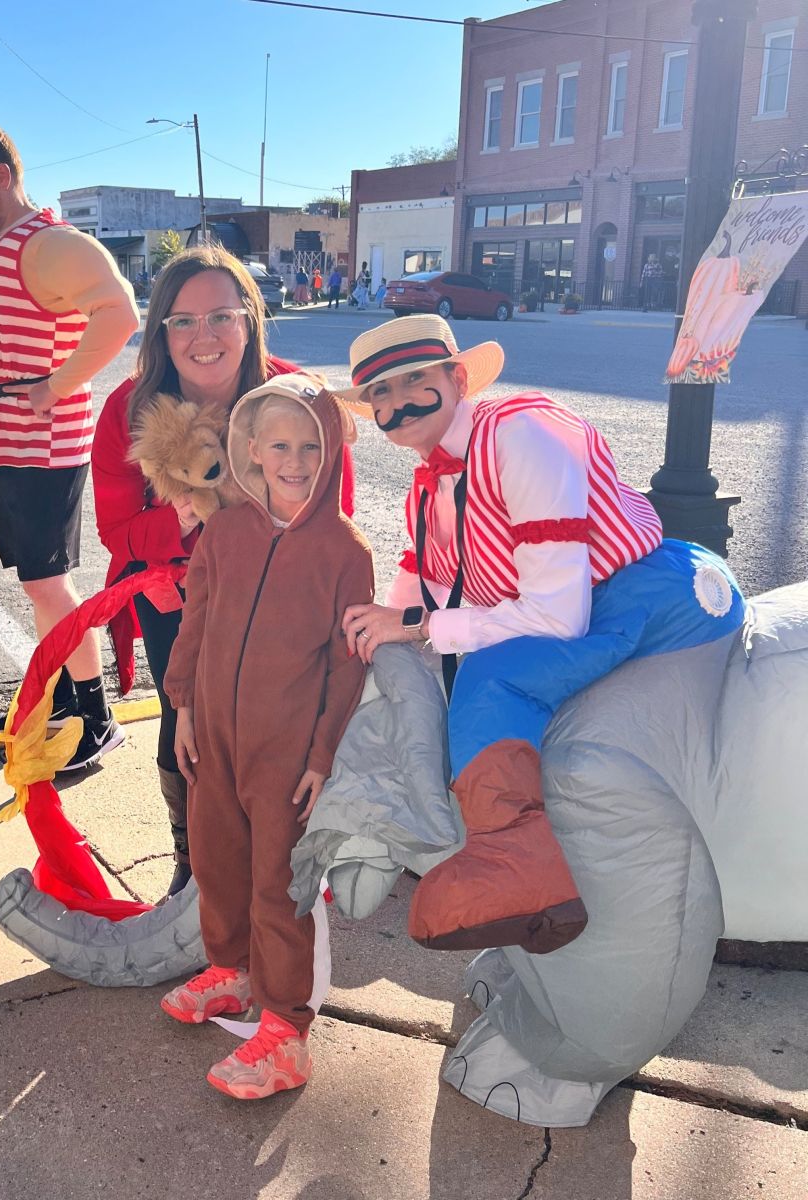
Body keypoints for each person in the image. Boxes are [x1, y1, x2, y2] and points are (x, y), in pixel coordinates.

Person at [337, 314, 744, 955]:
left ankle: (515, 865)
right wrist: (383, 642)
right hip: (582, 602)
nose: (395, 404)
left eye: (413, 379)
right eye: (378, 393)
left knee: (493, 672)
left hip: (649, 599)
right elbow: (417, 586)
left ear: (456, 376)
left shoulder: (521, 434)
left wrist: (419, 629)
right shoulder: (430, 481)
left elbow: (558, 618)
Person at [91, 245, 356, 897]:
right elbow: (118, 533)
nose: (202, 336)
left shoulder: (298, 397)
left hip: (280, 596)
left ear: (250, 320)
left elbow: (334, 517)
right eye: (181, 321)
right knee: (189, 723)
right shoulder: (130, 409)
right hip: (177, 596)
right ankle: (196, 867)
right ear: (160, 332)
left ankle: (281, 860)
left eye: (220, 316)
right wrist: (181, 517)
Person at [159, 374, 373, 1100]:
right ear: (250, 450)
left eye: (311, 445)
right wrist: (183, 705)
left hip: (284, 755)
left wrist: (322, 758)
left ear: (332, 451)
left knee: (279, 886)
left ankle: (285, 1030)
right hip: (213, 736)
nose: (295, 460)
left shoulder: (346, 554)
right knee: (217, 860)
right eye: (280, 444)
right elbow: (196, 619)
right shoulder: (224, 532)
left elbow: (347, 669)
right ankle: (231, 970)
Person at [0, 122, 140, 770]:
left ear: (3, 175)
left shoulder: (48, 244)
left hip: (46, 440)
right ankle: (56, 703)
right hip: (2, 437)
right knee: (39, 585)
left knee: (49, 582)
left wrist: (56, 385)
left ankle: (97, 718)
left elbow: (120, 313)